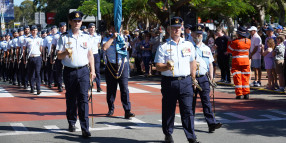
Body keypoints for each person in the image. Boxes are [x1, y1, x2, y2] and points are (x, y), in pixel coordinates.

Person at [154, 17, 200, 143]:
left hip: (186, 81)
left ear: (182, 28)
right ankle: (168, 134)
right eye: (173, 28)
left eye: (178, 27)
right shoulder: (163, 46)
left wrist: (193, 78)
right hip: (170, 82)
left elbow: (193, 62)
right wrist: (166, 66)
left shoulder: (189, 44)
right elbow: (158, 66)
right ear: (168, 29)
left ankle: (191, 137)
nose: (176, 30)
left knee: (187, 110)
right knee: (169, 109)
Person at [57, 11, 95, 138]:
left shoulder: (86, 37)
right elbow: (58, 56)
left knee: (84, 99)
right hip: (69, 71)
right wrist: (65, 53)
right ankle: (72, 121)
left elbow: (90, 55)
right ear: (70, 22)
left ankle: (85, 128)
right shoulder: (64, 37)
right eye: (74, 21)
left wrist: (93, 71)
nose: (77, 23)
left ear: (81, 22)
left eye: (79, 21)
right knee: (71, 99)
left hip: (84, 70)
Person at [191, 24, 222, 133]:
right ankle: (190, 125)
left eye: (200, 34)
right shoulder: (188, 47)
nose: (198, 36)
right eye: (196, 34)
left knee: (206, 102)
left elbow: (210, 64)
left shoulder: (206, 48)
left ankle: (211, 123)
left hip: (203, 78)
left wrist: (212, 78)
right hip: (191, 79)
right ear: (192, 34)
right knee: (191, 103)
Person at [102, 21, 135, 119]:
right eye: (114, 27)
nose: (117, 29)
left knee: (124, 89)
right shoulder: (106, 38)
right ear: (111, 28)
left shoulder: (125, 37)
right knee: (111, 89)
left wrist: (124, 41)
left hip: (122, 65)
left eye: (118, 27)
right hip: (111, 65)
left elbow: (129, 48)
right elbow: (104, 47)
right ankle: (111, 108)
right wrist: (113, 38)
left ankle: (127, 110)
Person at [228, 26, 251, 99]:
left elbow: (229, 50)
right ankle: (246, 93)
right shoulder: (249, 41)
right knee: (246, 78)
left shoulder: (235, 42)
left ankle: (239, 94)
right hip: (246, 62)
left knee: (237, 78)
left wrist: (229, 41)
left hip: (236, 62)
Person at [23, 25, 43, 95]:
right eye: (33, 30)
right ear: (31, 31)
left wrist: (41, 57)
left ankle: (38, 88)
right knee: (31, 73)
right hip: (30, 57)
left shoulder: (40, 39)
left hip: (38, 57)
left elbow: (41, 49)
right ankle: (32, 87)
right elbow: (24, 50)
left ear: (37, 31)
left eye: (36, 30)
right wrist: (24, 59)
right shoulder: (27, 39)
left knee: (38, 73)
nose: (34, 32)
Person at [88, 23, 102, 92]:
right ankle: (90, 84)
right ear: (89, 29)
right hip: (88, 55)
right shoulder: (86, 36)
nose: (92, 29)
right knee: (89, 70)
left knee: (97, 70)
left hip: (96, 54)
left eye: (93, 27)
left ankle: (98, 86)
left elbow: (98, 44)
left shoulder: (98, 36)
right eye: (91, 27)